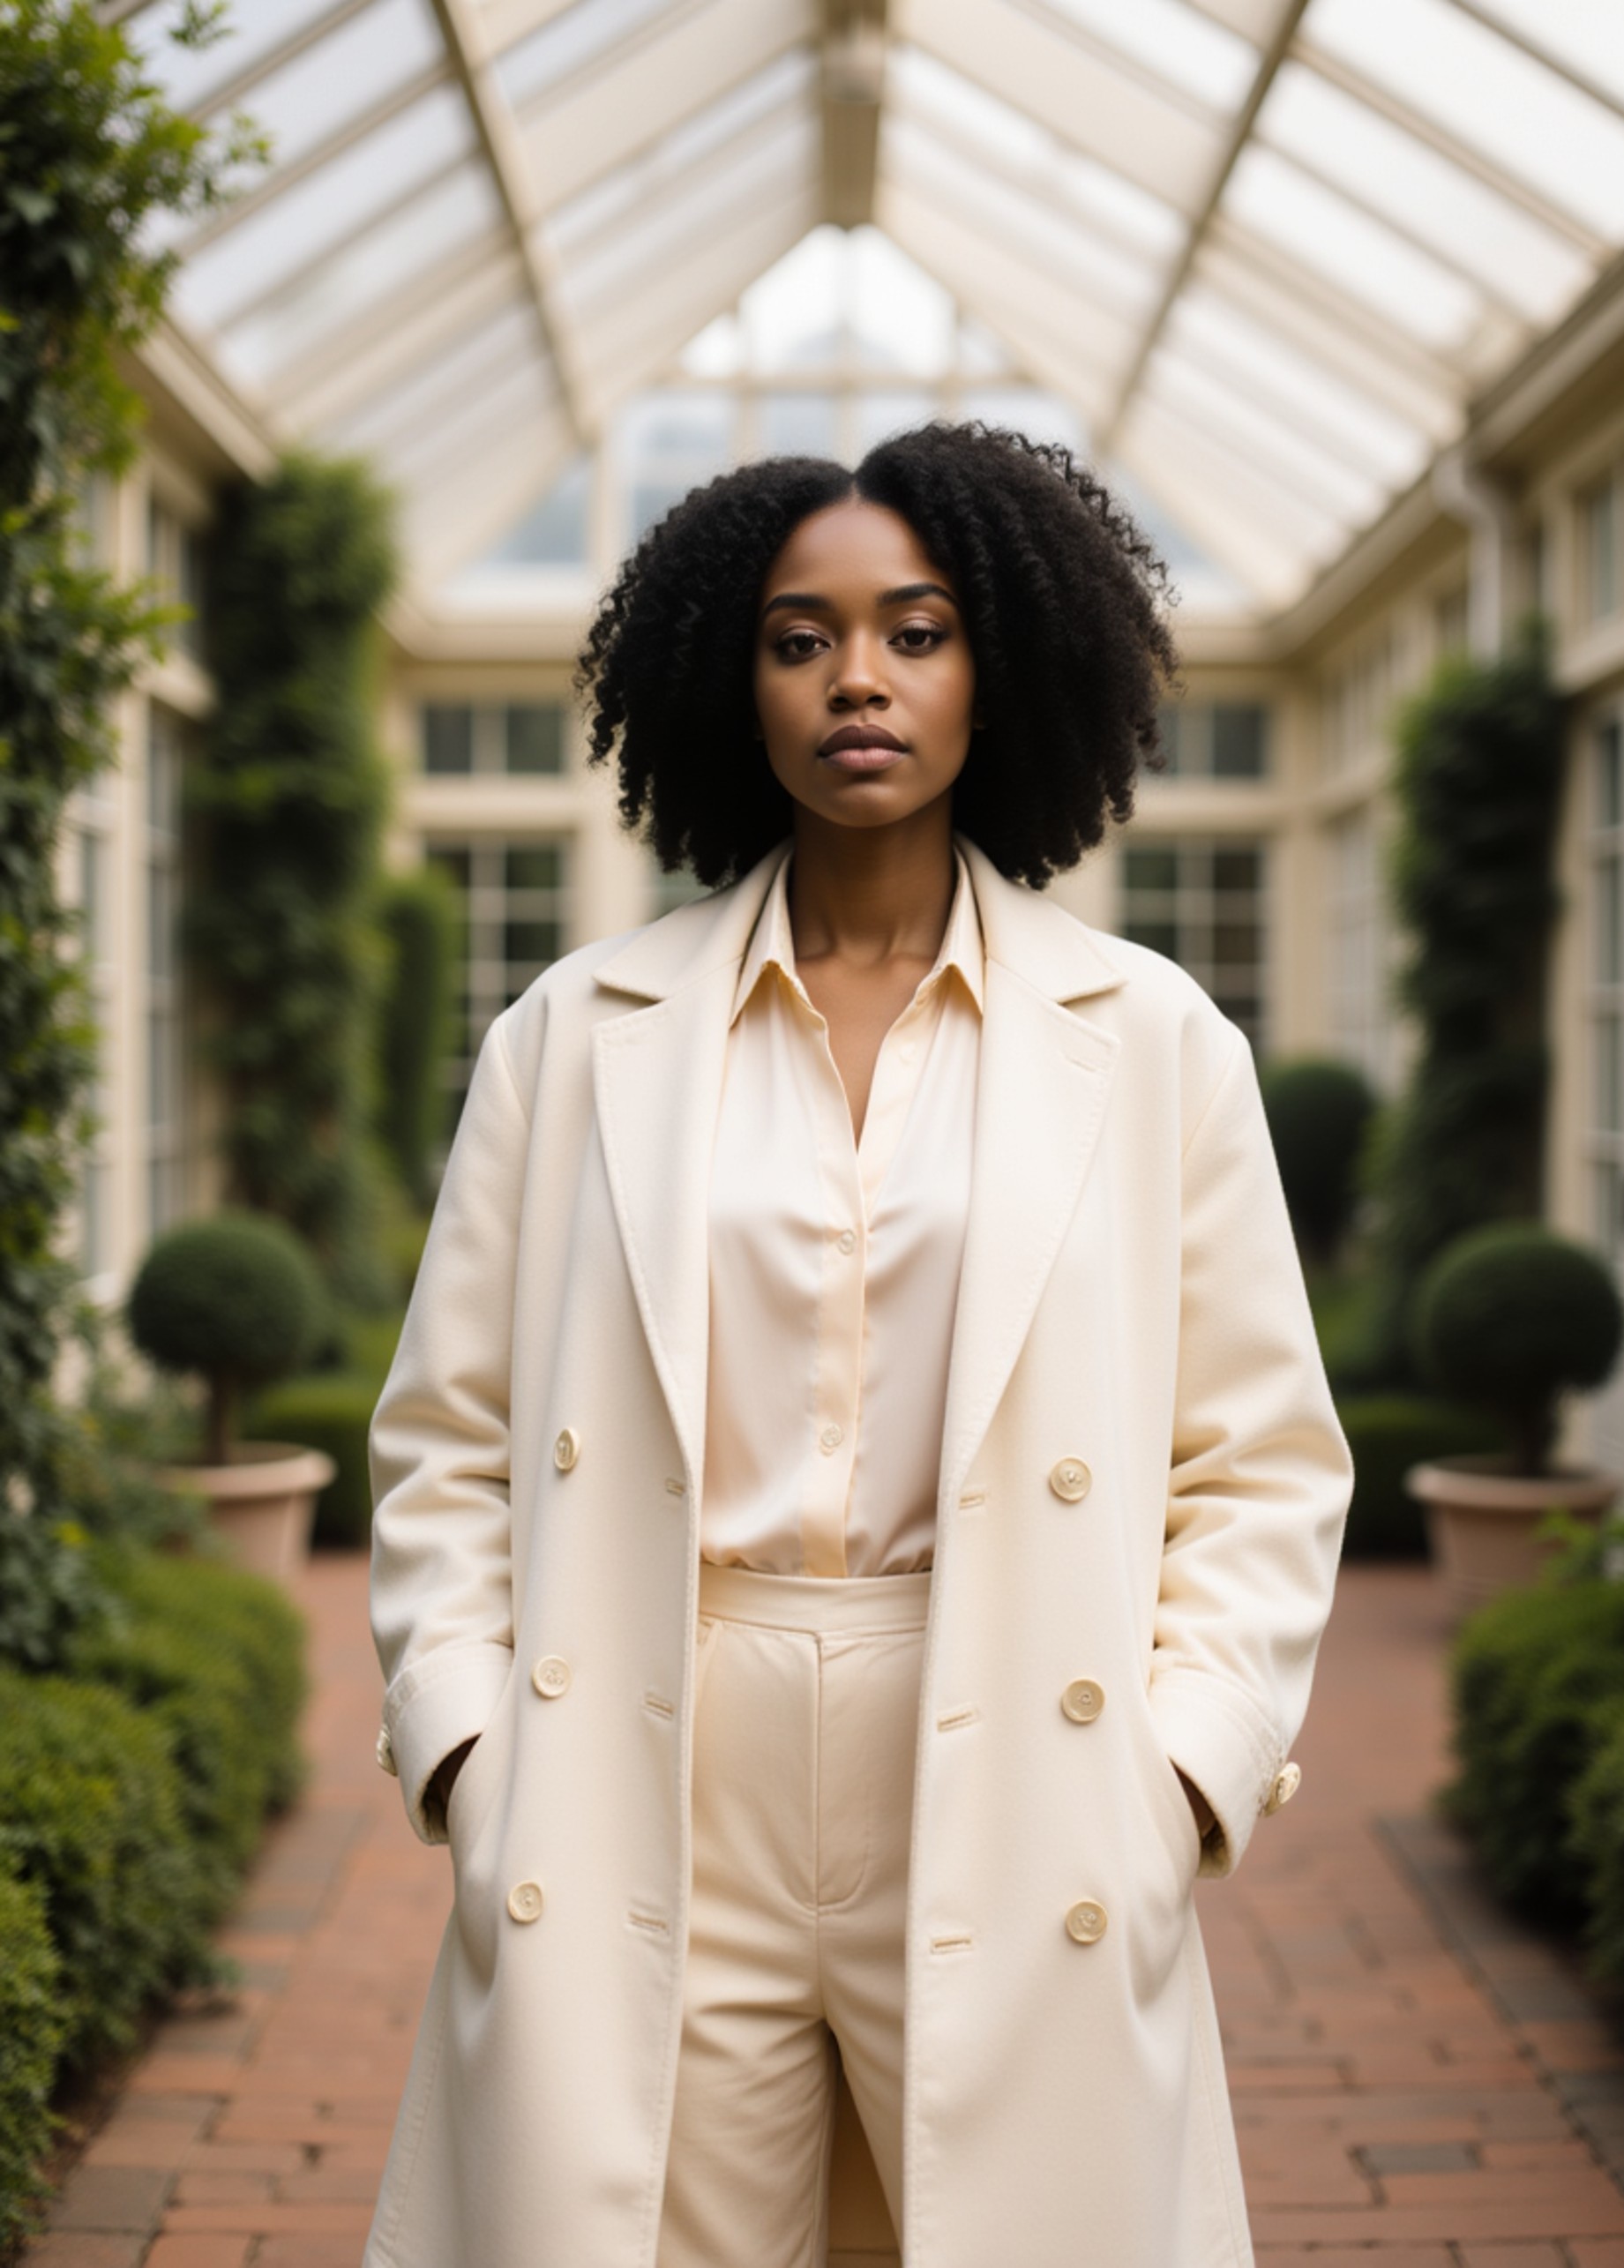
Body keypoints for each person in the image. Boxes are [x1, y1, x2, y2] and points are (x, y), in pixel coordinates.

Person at [363, 422, 1351, 2268]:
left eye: (915, 628)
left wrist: (1180, 1772)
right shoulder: (576, 1034)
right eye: (798, 637)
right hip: (651, 1744)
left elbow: (1261, 1457)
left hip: (1016, 1750)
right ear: (726, 684)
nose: (858, 681)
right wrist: (468, 1748)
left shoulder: (1149, 1041)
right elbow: (444, 1434)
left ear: (1007, 666)